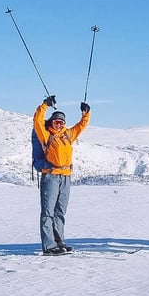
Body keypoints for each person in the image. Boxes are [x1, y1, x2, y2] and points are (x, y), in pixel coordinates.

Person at [33, 96, 91, 255]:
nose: (58, 124)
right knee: (48, 212)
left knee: (60, 211)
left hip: (65, 176)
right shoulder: (46, 135)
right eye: (56, 122)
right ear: (51, 122)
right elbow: (37, 120)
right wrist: (45, 105)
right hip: (51, 176)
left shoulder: (68, 135)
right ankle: (49, 246)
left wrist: (86, 113)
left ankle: (59, 242)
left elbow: (81, 126)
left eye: (61, 122)